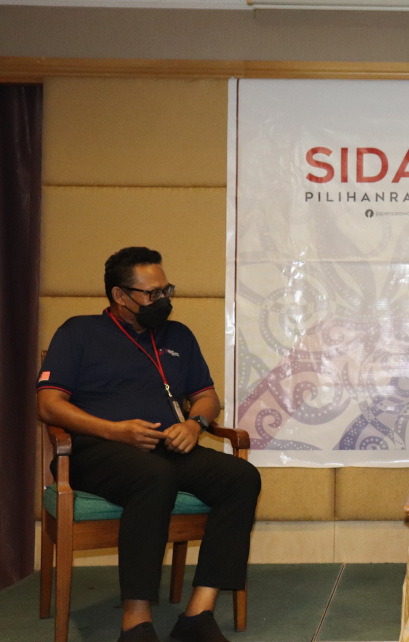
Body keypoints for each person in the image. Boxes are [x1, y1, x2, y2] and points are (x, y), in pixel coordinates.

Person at [37, 247, 261, 642]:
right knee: (154, 477)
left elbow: (207, 396)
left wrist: (195, 424)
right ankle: (136, 622)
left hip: (166, 447)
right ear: (119, 296)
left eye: (166, 290)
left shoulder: (178, 336)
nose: (163, 300)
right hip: (94, 452)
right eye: (151, 294)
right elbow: (49, 404)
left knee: (241, 476)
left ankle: (197, 615)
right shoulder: (79, 332)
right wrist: (115, 430)